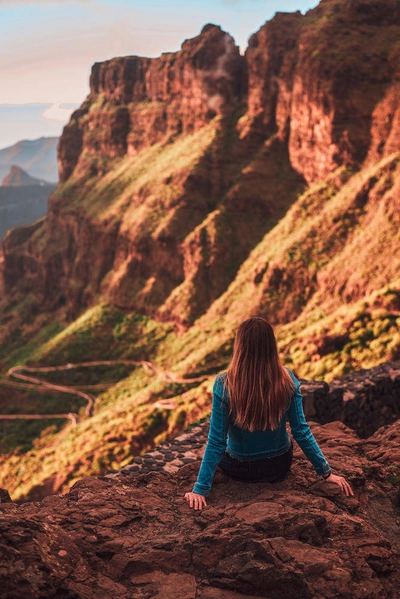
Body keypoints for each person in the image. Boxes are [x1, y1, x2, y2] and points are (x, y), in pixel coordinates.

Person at [185, 317, 353, 510]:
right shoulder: (286, 379)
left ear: (239, 346)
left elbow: (216, 441)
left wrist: (200, 489)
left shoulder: (224, 384)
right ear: (271, 345)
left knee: (223, 449)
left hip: (240, 469)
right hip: (278, 466)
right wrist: (326, 472)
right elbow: (301, 431)